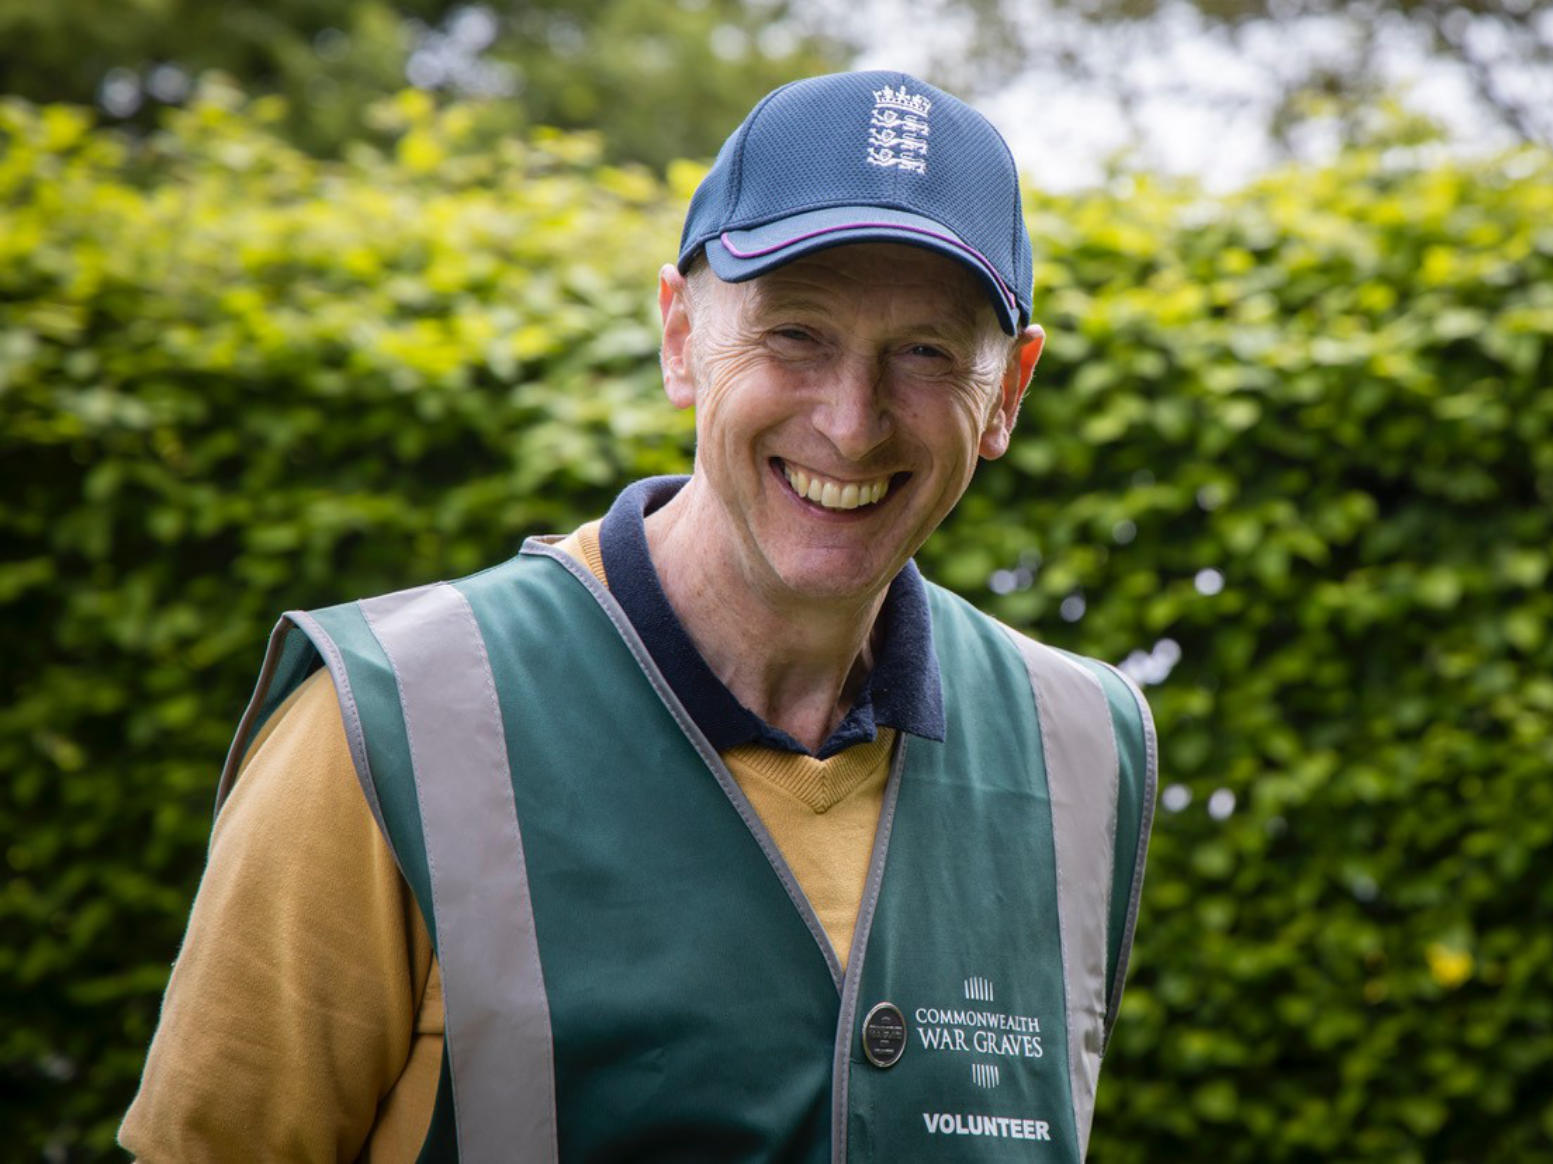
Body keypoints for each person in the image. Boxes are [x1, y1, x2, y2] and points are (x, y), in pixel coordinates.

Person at [122, 70, 1156, 1162]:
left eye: (928, 352)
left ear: (1008, 394)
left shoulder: (1085, 747)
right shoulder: (386, 727)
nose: (852, 425)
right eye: (796, 334)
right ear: (678, 337)